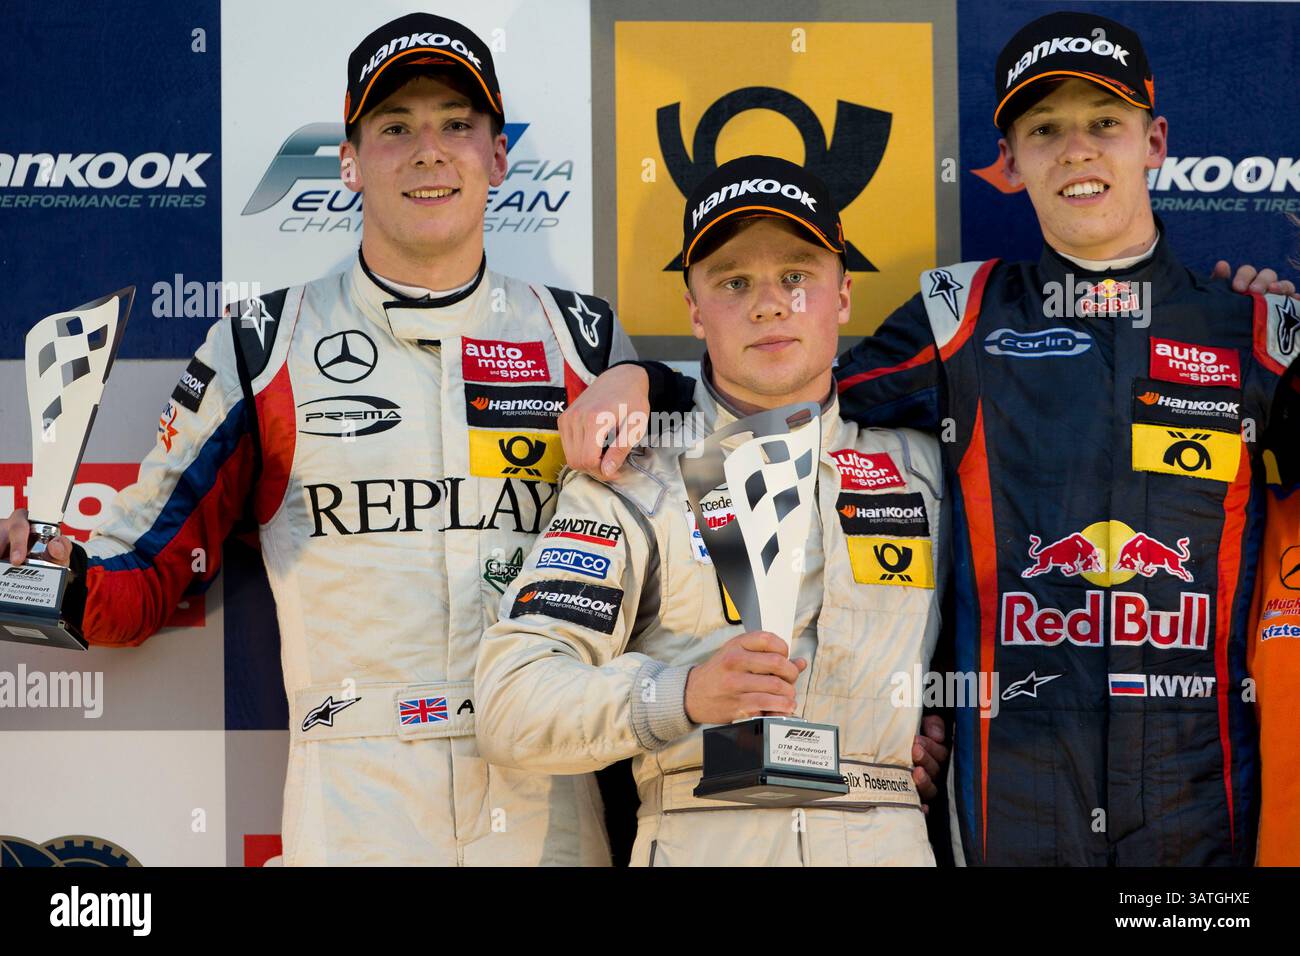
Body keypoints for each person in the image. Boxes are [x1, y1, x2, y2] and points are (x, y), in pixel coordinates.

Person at [559, 11, 1300, 865]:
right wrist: (647, 380)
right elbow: (785, 385)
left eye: (1105, 123)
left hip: (1202, 792)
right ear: (1011, 163)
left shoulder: (1256, 331)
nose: (1078, 151)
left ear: (1155, 139)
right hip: (1015, 793)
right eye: (1044, 129)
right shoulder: (962, 316)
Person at [0, 13, 632, 866]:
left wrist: (649, 380)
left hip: (545, 802)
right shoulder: (264, 344)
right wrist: (54, 575)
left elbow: (668, 570)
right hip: (353, 810)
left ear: (499, 158)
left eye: (456, 123)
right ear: (348, 162)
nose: (428, 150)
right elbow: (146, 564)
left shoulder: (585, 343)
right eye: (394, 128)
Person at [475, 156, 948, 866]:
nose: (769, 304)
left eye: (796, 276)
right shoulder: (632, 475)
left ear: (843, 295)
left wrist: (945, 732)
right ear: (693, 309)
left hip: (885, 832)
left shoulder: (924, 466)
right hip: (706, 831)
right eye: (734, 282)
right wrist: (684, 694)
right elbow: (513, 705)